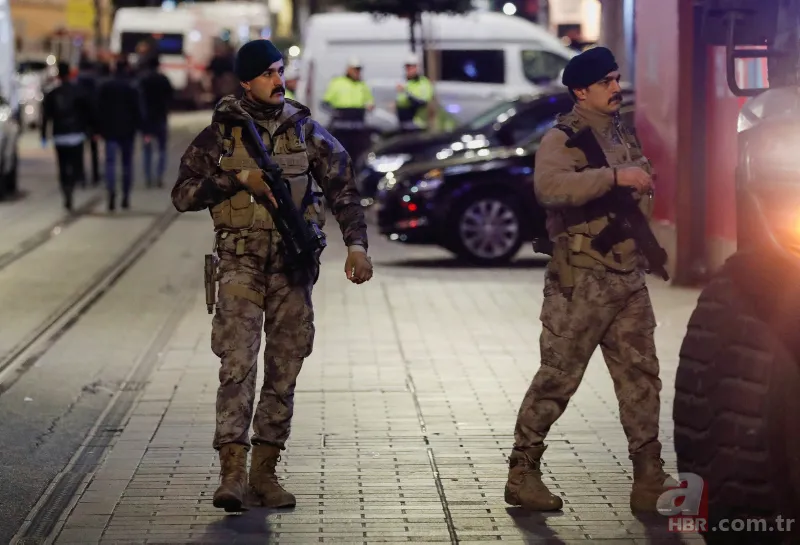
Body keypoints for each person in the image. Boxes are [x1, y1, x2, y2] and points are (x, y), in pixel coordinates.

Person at [171, 39, 373, 513]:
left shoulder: (304, 131)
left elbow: (343, 186)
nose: (278, 81)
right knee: (236, 366)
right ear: (245, 81)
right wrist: (235, 180)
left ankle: (265, 472)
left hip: (292, 268)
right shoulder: (220, 135)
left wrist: (357, 246)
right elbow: (182, 194)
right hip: (239, 264)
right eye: (267, 74)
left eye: (280, 70)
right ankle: (232, 474)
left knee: (285, 367)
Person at [504, 46, 674, 515]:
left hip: (627, 277)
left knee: (642, 378)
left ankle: (649, 478)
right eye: (607, 81)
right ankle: (522, 474)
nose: (616, 88)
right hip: (581, 281)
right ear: (582, 90)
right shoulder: (563, 138)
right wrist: (615, 176)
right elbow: (551, 188)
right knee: (558, 378)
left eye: (617, 79)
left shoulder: (620, 131)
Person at [40, 61, 92, 211]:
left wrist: (44, 135)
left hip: (60, 135)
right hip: (76, 134)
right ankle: (72, 184)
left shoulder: (52, 94)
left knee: (62, 165)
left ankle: (66, 190)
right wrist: (90, 130)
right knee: (76, 164)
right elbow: (87, 112)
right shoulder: (79, 91)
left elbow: (46, 117)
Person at [97, 58, 144, 211]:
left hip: (110, 130)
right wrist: (142, 128)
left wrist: (98, 129)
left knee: (110, 163)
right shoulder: (132, 87)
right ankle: (125, 196)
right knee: (127, 164)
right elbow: (138, 110)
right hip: (128, 131)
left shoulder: (105, 86)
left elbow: (99, 108)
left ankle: (111, 193)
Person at [321, 58, 374, 164]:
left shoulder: (362, 85)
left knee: (358, 158)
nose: (357, 72)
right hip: (341, 130)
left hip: (357, 130)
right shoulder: (337, 82)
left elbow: (370, 101)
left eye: (359, 69)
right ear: (348, 69)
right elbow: (325, 103)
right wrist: (335, 112)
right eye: (355, 69)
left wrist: (370, 106)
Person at [139, 56, 175, 188]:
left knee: (147, 149)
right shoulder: (163, 79)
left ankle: (148, 177)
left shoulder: (143, 80)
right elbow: (171, 96)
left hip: (147, 121)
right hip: (161, 119)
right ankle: (159, 176)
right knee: (161, 149)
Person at [395, 54, 433, 132]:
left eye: (411, 67)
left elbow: (421, 102)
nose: (408, 69)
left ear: (417, 67)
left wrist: (406, 92)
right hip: (403, 124)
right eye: (407, 67)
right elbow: (400, 102)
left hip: (417, 125)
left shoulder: (423, 83)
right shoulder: (404, 81)